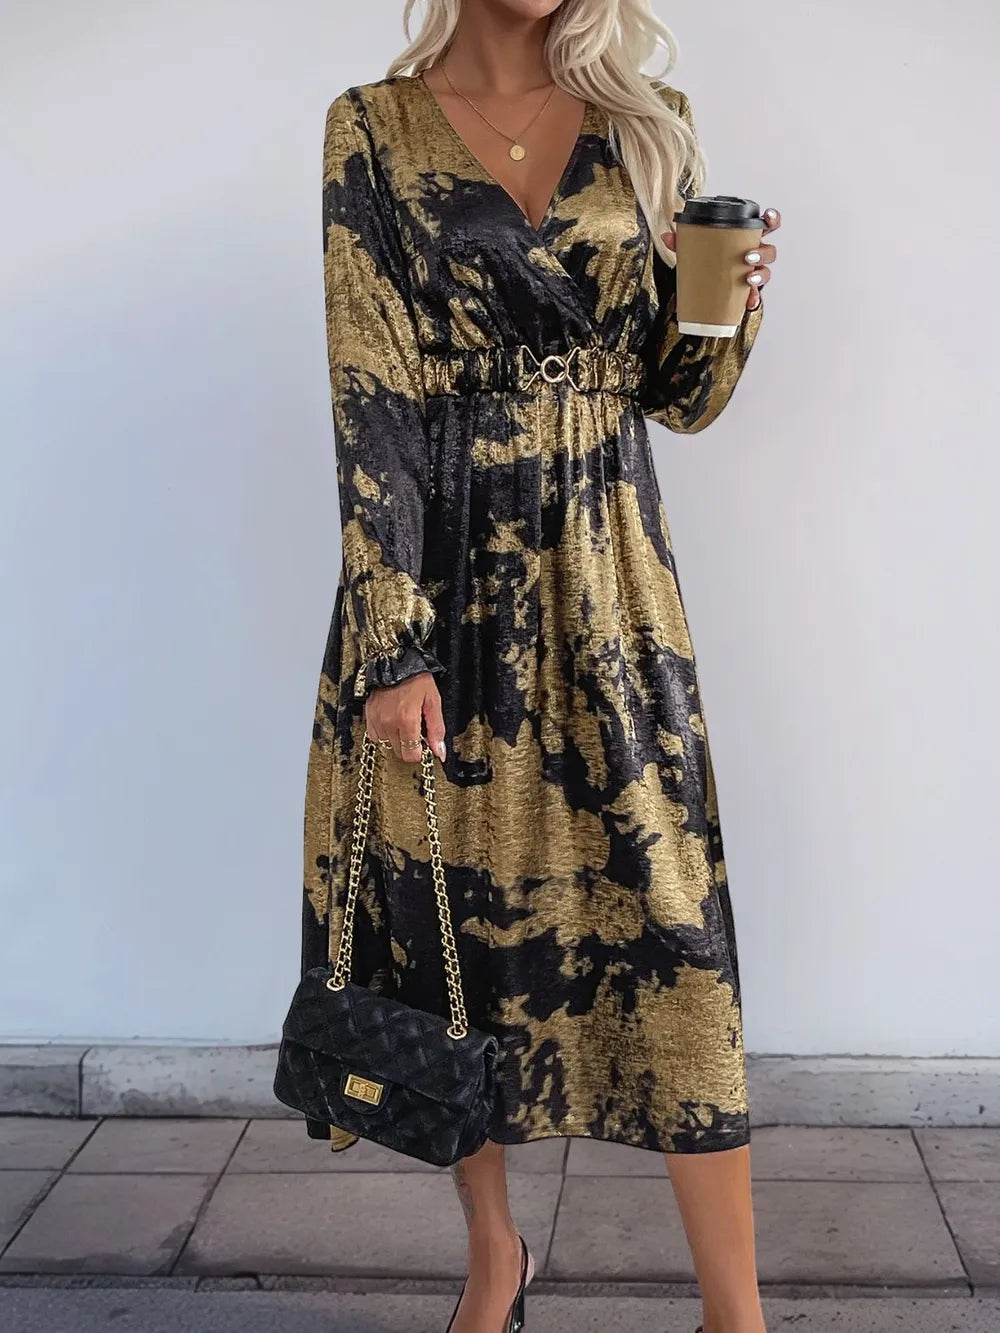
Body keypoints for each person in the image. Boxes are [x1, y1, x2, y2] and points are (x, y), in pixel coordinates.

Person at [301, 2, 781, 1330]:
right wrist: (391, 644)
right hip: (442, 586)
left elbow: (679, 398)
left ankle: (736, 1315)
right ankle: (495, 1258)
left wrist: (729, 310)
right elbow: (369, 395)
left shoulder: (650, 128)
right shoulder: (372, 130)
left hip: (613, 582)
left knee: (676, 929)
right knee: (455, 929)